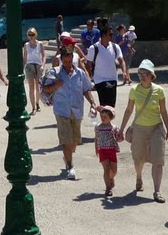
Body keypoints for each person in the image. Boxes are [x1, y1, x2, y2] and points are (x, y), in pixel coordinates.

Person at [119, 58, 168, 202]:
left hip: (156, 128)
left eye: (145, 73)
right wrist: (122, 129)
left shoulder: (158, 91)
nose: (142, 76)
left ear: (151, 75)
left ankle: (157, 191)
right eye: (140, 73)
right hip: (139, 128)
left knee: (158, 160)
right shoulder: (134, 90)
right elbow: (129, 110)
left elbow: (164, 111)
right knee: (138, 159)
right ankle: (139, 177)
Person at [43, 46, 98, 180]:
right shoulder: (55, 72)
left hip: (77, 110)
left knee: (75, 141)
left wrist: (92, 103)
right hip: (62, 111)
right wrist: (56, 85)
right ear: (61, 60)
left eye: (69, 62)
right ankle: (70, 165)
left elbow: (86, 89)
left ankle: (67, 155)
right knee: (66, 141)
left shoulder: (80, 73)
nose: (68, 64)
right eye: (65, 62)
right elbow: (45, 89)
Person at [87, 27, 129, 106]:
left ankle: (108, 118)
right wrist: (89, 79)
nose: (112, 36)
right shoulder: (94, 48)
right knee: (104, 106)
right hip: (100, 81)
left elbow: (121, 60)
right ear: (103, 36)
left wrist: (124, 72)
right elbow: (88, 65)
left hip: (112, 79)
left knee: (111, 107)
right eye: (110, 34)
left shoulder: (115, 47)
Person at [94, 105, 120, 198]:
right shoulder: (98, 127)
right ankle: (108, 188)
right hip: (102, 150)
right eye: (101, 116)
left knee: (114, 170)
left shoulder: (114, 127)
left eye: (105, 117)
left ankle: (111, 178)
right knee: (106, 169)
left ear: (111, 117)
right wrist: (96, 148)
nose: (103, 118)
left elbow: (119, 138)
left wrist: (121, 137)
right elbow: (96, 139)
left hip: (112, 150)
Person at [23, 27, 45, 115]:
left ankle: (37, 103)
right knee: (31, 87)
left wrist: (43, 66)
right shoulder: (26, 45)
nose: (31, 36)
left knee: (38, 87)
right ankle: (33, 107)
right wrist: (23, 67)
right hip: (29, 66)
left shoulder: (40, 44)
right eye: (29, 35)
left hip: (38, 65)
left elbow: (43, 56)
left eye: (32, 34)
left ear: (35, 35)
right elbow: (24, 58)